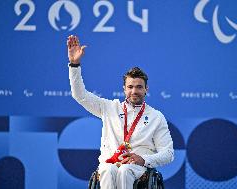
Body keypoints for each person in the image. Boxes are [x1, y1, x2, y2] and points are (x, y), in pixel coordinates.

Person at [67, 35, 174, 189]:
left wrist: (143, 159)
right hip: (109, 163)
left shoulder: (156, 117)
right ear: (124, 89)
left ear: (146, 89)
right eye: (130, 87)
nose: (134, 91)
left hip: (137, 167)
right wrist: (74, 65)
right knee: (108, 169)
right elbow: (80, 95)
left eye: (139, 87)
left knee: (125, 170)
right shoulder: (109, 107)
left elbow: (168, 153)